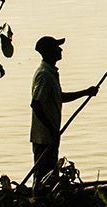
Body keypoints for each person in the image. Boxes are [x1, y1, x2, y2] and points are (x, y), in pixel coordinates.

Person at [30, 35, 97, 181]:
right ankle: (39, 201)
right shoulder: (44, 75)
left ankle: (47, 200)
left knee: (50, 175)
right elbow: (36, 104)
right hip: (44, 137)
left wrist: (86, 92)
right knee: (43, 176)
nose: (60, 50)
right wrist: (51, 129)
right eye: (56, 47)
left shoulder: (51, 73)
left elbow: (59, 97)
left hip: (50, 135)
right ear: (48, 51)